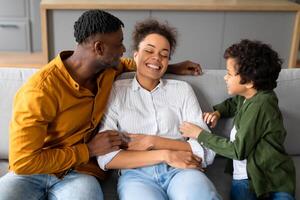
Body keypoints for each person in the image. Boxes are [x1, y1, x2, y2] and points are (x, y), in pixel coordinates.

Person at [0, 10, 202, 200]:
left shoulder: (107, 69)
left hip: (80, 172)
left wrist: (169, 66)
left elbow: (135, 64)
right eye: (119, 44)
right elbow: (23, 162)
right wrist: (88, 150)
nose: (123, 50)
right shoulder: (39, 91)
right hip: (34, 171)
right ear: (99, 48)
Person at [97, 19, 220, 200]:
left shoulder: (182, 90)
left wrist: (152, 141)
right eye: (149, 51)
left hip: (182, 170)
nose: (156, 58)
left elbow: (208, 148)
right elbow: (107, 158)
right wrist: (166, 154)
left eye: (164, 54)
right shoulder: (116, 90)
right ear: (135, 55)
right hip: (136, 175)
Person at [180, 39, 296, 200]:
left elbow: (237, 151)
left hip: (273, 180)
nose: (225, 78)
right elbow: (233, 103)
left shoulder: (262, 104)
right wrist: (218, 112)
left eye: (229, 73)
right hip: (244, 178)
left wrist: (199, 134)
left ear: (249, 82)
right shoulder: (248, 96)